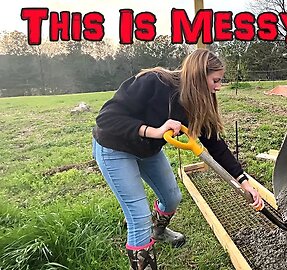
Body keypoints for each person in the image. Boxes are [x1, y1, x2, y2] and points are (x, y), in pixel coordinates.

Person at [92, 49, 264, 270]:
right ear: (199, 76)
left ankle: (159, 232)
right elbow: (106, 118)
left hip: (147, 150)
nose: (218, 87)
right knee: (139, 216)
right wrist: (154, 131)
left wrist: (244, 182)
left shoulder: (199, 101)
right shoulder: (153, 82)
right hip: (115, 147)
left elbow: (216, 146)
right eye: (216, 80)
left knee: (171, 198)